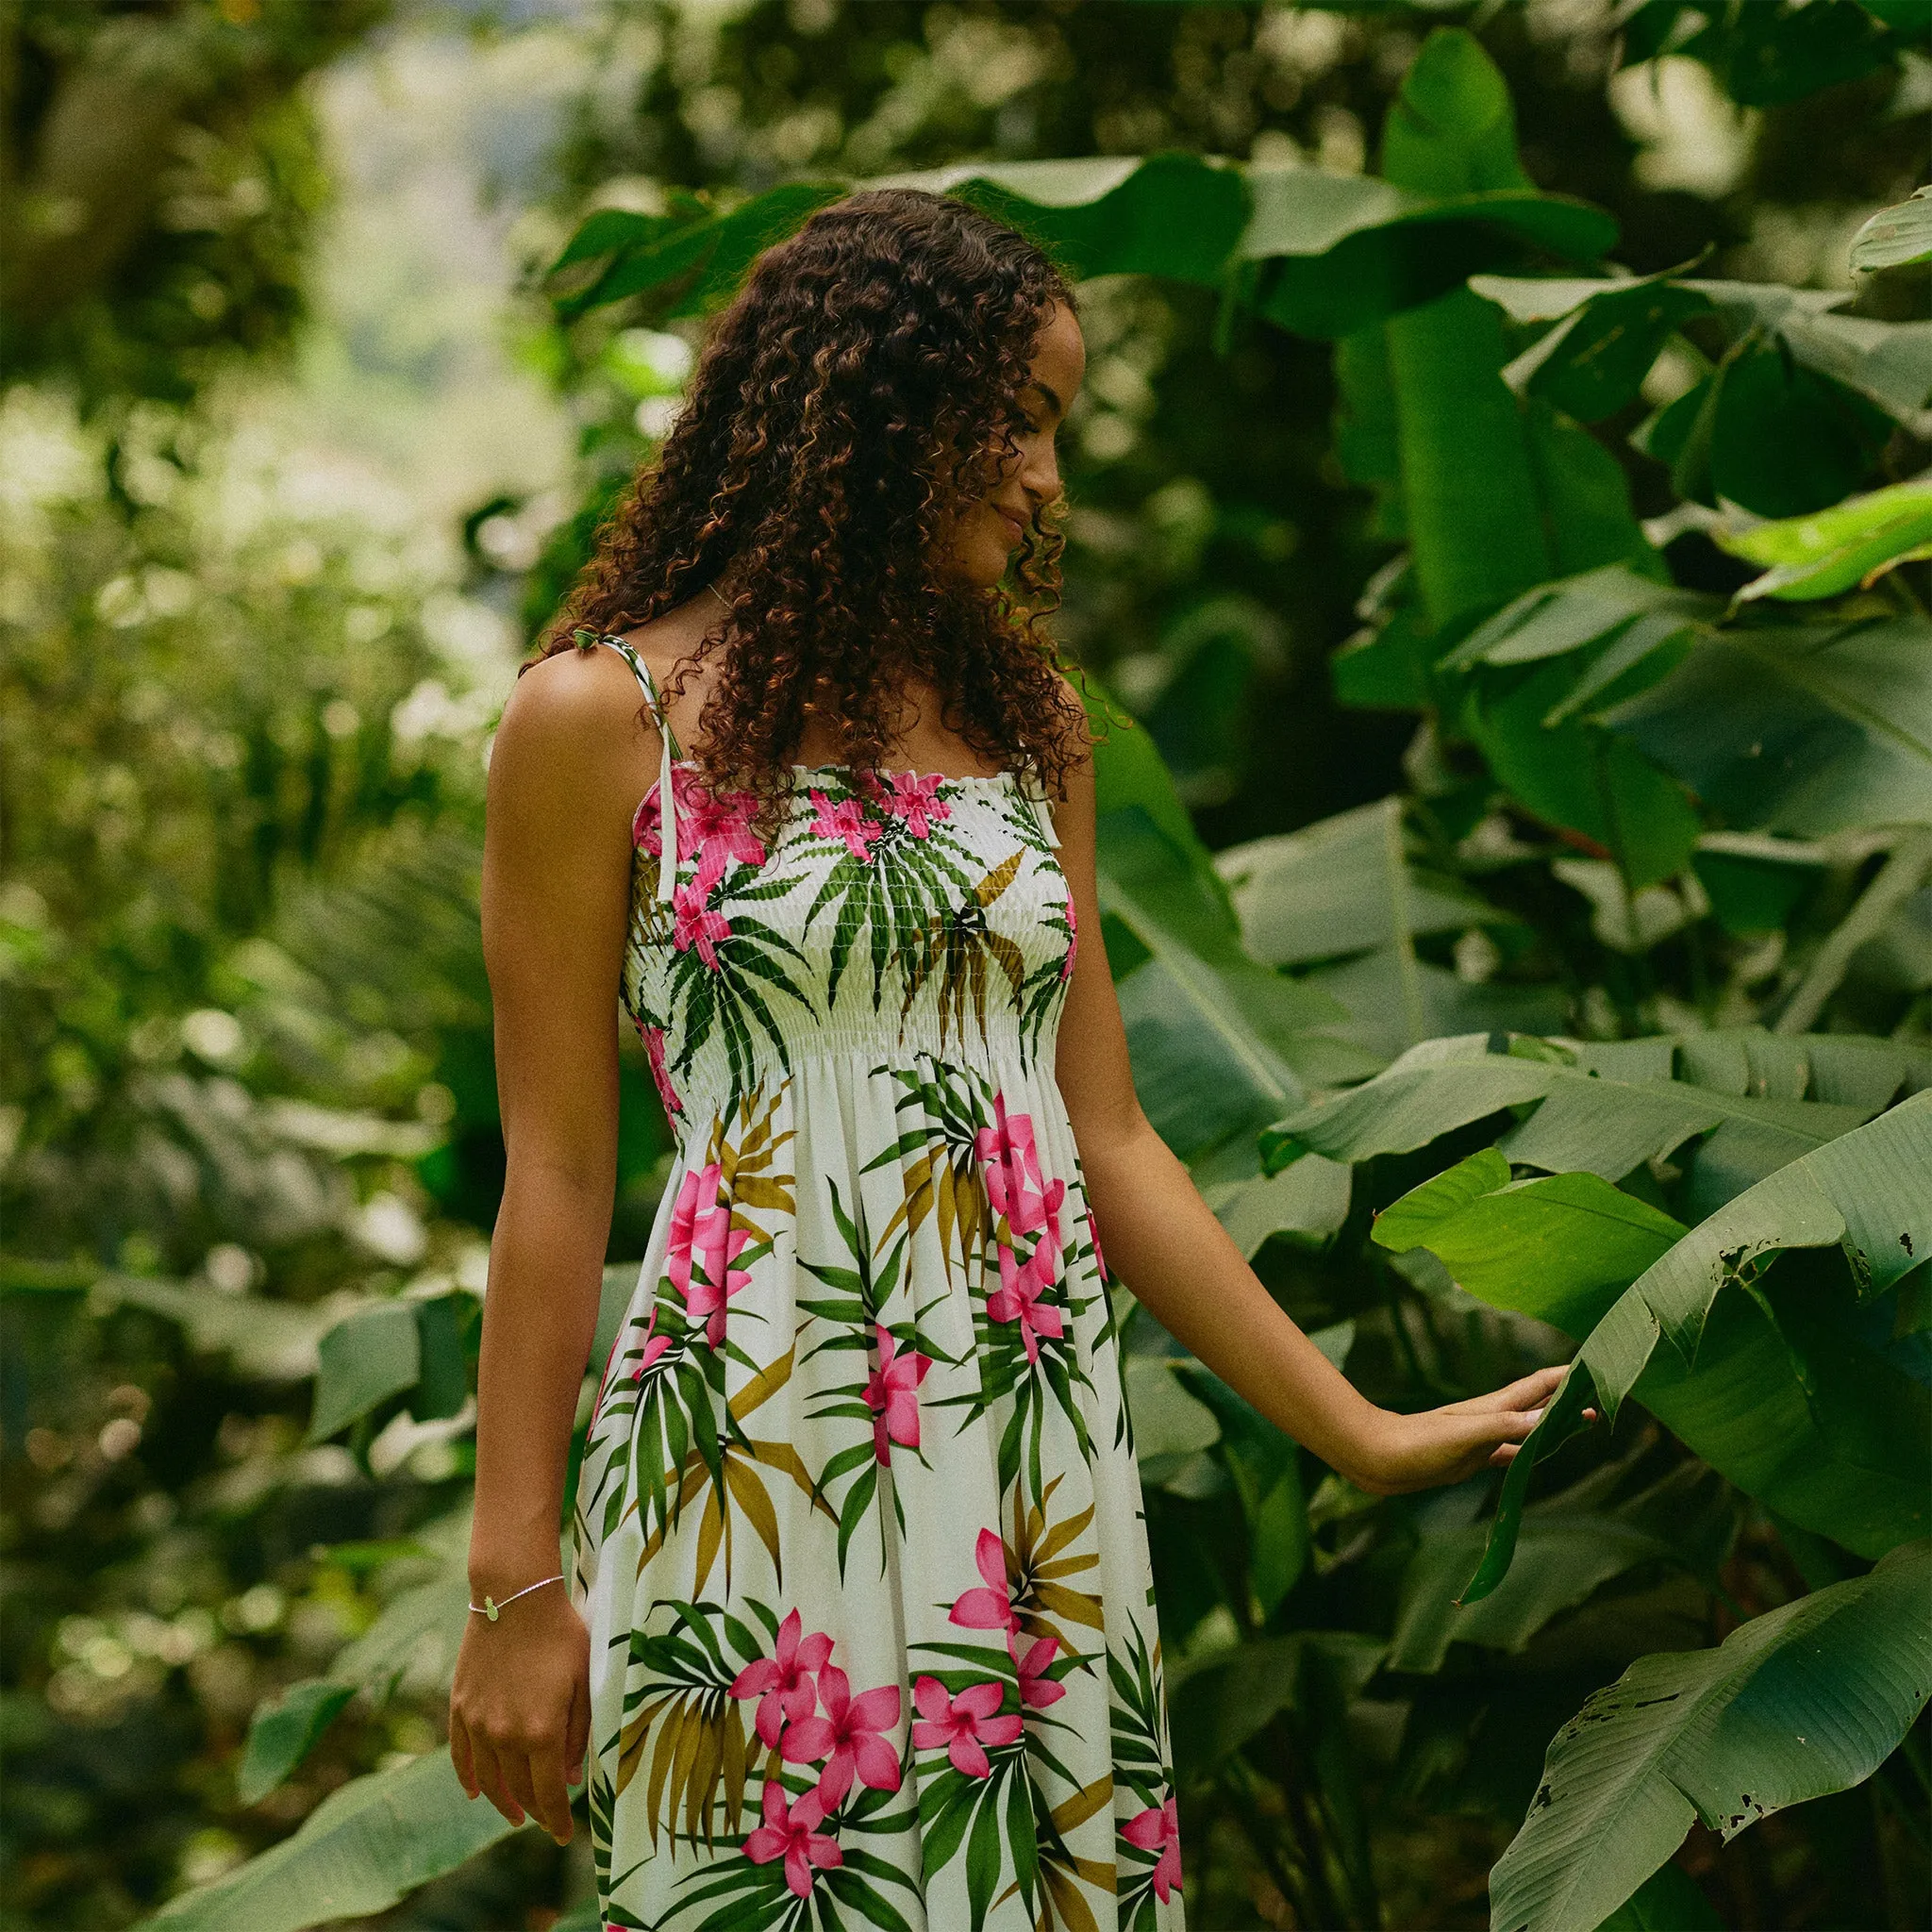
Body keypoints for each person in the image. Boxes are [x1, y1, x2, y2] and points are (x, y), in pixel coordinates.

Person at [450, 187, 1572, 1930]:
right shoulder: (598, 722)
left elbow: (1110, 1136)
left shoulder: (1030, 728)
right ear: (880, 402)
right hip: (749, 1433)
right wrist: (514, 1582)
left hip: (1022, 1447)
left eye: (1058, 426)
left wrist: (1354, 1430)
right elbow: (558, 1177)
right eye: (1022, 417)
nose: (1048, 475)